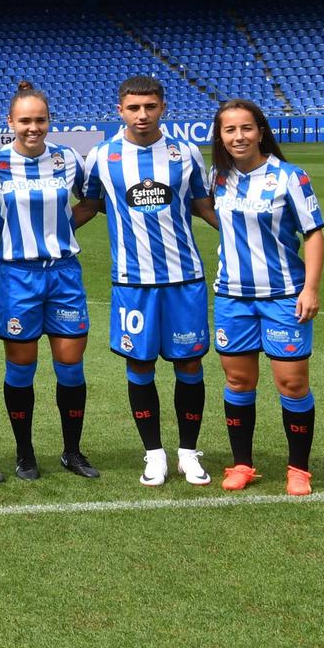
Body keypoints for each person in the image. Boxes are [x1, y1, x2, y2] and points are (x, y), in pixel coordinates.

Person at [75, 75, 219, 488]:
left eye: (150, 107)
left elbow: (203, 205)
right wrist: (53, 236)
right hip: (132, 281)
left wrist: (243, 236)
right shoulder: (102, 156)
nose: (142, 115)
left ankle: (188, 454)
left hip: (184, 279)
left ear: (163, 108)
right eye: (134, 108)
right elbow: (89, 205)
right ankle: (153, 453)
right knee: (140, 364)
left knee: (189, 364)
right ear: (119, 110)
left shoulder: (185, 153)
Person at [209, 99, 324, 496]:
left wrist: (310, 288)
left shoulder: (289, 176)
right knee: (238, 381)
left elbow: (314, 233)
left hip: (282, 297)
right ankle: (242, 464)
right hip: (232, 296)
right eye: (230, 130)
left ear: (260, 131)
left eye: (246, 128)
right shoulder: (217, 178)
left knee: (292, 383)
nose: (238, 137)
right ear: (220, 136)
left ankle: (298, 469)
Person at [0, 83, 100, 479]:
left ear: (49, 121)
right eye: (25, 121)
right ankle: (25, 453)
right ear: (10, 122)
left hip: (64, 273)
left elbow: (91, 201)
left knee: (70, 366)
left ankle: (72, 451)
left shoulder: (68, 158)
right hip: (19, 275)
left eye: (40, 120)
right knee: (22, 368)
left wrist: (64, 228)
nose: (33, 128)